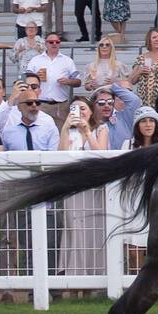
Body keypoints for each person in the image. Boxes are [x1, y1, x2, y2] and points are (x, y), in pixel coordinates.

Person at [56, 97, 108, 277]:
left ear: (91, 111)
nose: (79, 111)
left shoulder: (101, 129)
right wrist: (65, 128)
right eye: (74, 108)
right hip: (73, 188)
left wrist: (86, 132)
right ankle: (74, 274)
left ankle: (95, 275)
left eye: (83, 108)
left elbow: (101, 154)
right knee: (75, 230)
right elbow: (60, 156)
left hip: (94, 189)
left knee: (94, 230)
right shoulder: (68, 132)